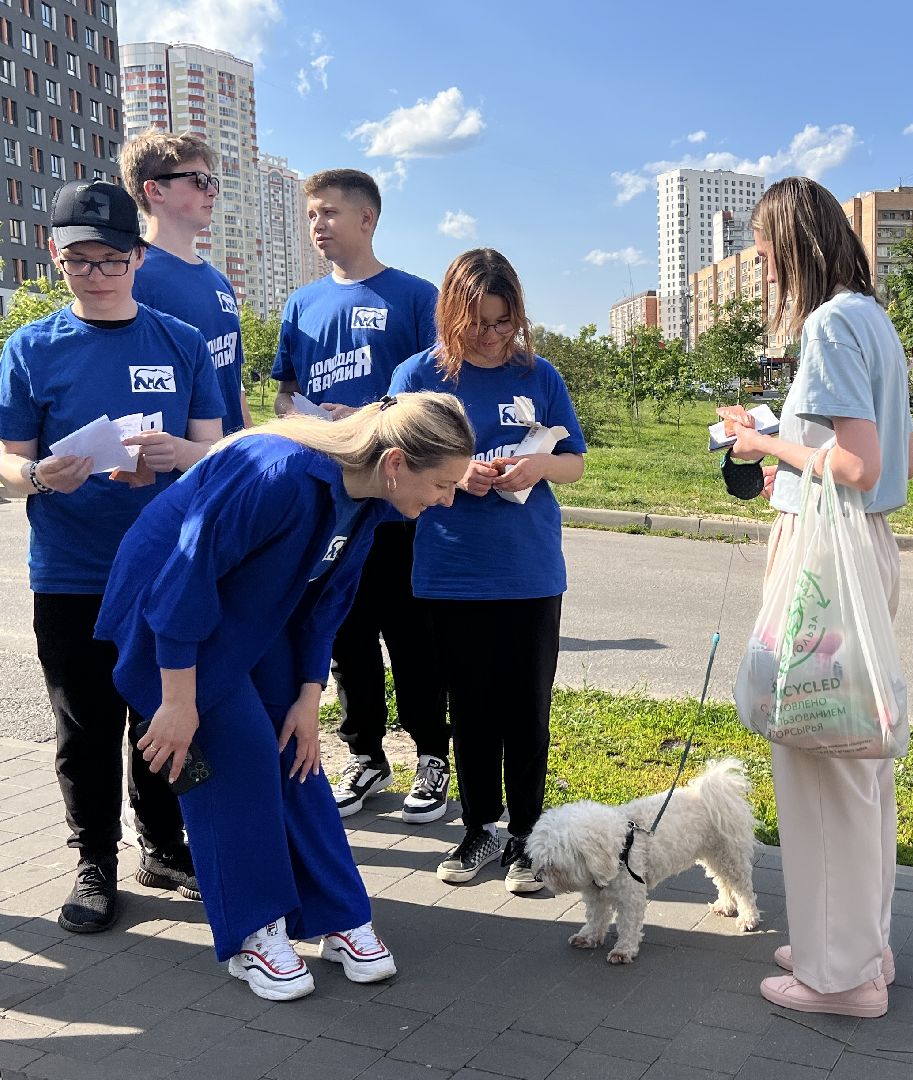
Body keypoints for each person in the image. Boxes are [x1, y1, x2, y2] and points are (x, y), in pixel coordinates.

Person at [93, 392, 475, 1002]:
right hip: (170, 614)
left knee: (295, 751)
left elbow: (326, 604)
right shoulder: (275, 475)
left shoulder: (371, 503)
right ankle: (253, 932)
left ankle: (335, 915)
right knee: (239, 754)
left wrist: (307, 696)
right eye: (445, 484)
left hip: (250, 613)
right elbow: (185, 579)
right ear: (397, 462)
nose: (449, 499)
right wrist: (177, 701)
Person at [0, 179, 225, 933]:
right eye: (79, 260)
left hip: (166, 565)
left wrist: (179, 452)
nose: (95, 274)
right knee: (85, 723)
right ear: (54, 257)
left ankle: (163, 846)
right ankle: (93, 856)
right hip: (70, 569)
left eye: (110, 259)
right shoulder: (31, 348)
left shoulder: (180, 342)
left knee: (161, 715)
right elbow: (7, 459)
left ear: (137, 256)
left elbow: (217, 450)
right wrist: (35, 475)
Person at [719, 177, 913, 1019]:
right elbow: (846, 456)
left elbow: (857, 464)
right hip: (855, 550)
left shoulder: (832, 322)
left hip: (825, 562)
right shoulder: (870, 316)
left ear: (795, 247)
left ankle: (840, 980)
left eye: (766, 256)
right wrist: (787, 453)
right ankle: (859, 948)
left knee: (816, 755)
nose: (764, 272)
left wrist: (760, 439)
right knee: (853, 760)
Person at [389, 248, 586, 893]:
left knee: (526, 706)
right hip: (451, 571)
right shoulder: (419, 377)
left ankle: (529, 834)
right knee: (469, 707)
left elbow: (575, 462)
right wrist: (456, 474)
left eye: (505, 323)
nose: (494, 337)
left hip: (528, 572)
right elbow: (390, 464)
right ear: (452, 314)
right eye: (480, 324)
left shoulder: (539, 374)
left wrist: (536, 468)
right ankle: (479, 828)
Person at [271, 169, 451, 824]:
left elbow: (437, 395)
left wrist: (374, 416)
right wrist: (304, 421)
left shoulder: (412, 296)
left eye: (327, 213)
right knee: (343, 634)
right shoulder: (302, 304)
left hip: (397, 502)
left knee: (412, 635)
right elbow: (285, 395)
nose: (316, 225)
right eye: (311, 214)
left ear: (367, 218)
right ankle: (365, 755)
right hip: (330, 502)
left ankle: (433, 753)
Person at [121, 130, 249, 435]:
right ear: (155, 190)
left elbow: (233, 378)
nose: (211, 191)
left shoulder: (219, 280)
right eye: (198, 180)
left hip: (226, 460)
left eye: (212, 182)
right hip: (173, 468)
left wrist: (249, 440)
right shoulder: (131, 275)